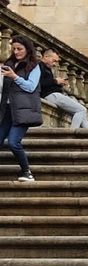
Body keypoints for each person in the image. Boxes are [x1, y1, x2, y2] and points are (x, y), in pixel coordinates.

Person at [0, 34, 40, 182]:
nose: (16, 52)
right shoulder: (9, 63)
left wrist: (14, 76)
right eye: (14, 49)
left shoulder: (34, 66)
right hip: (7, 111)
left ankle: (27, 172)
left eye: (19, 49)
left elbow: (30, 87)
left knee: (13, 142)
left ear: (27, 49)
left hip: (23, 112)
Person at [39, 48, 88, 129]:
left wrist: (59, 84)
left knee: (81, 113)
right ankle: (72, 135)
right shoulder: (39, 66)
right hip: (51, 95)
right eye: (54, 60)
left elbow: (48, 83)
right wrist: (55, 81)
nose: (55, 64)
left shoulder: (47, 68)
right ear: (45, 57)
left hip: (53, 94)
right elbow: (40, 83)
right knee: (81, 110)